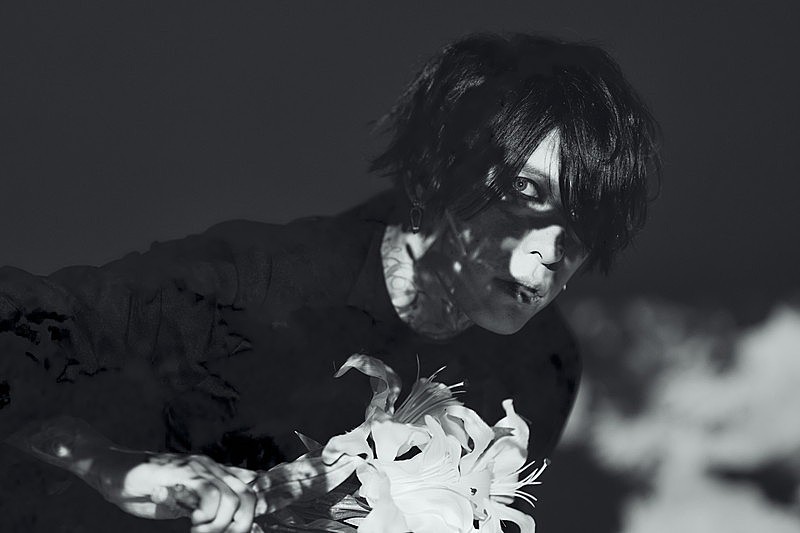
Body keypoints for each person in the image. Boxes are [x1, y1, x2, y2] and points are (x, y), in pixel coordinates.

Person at [0, 33, 659, 532]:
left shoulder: (542, 365)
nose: (554, 250)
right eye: (525, 190)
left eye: (585, 221)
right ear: (439, 171)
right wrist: (98, 459)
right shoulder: (259, 284)